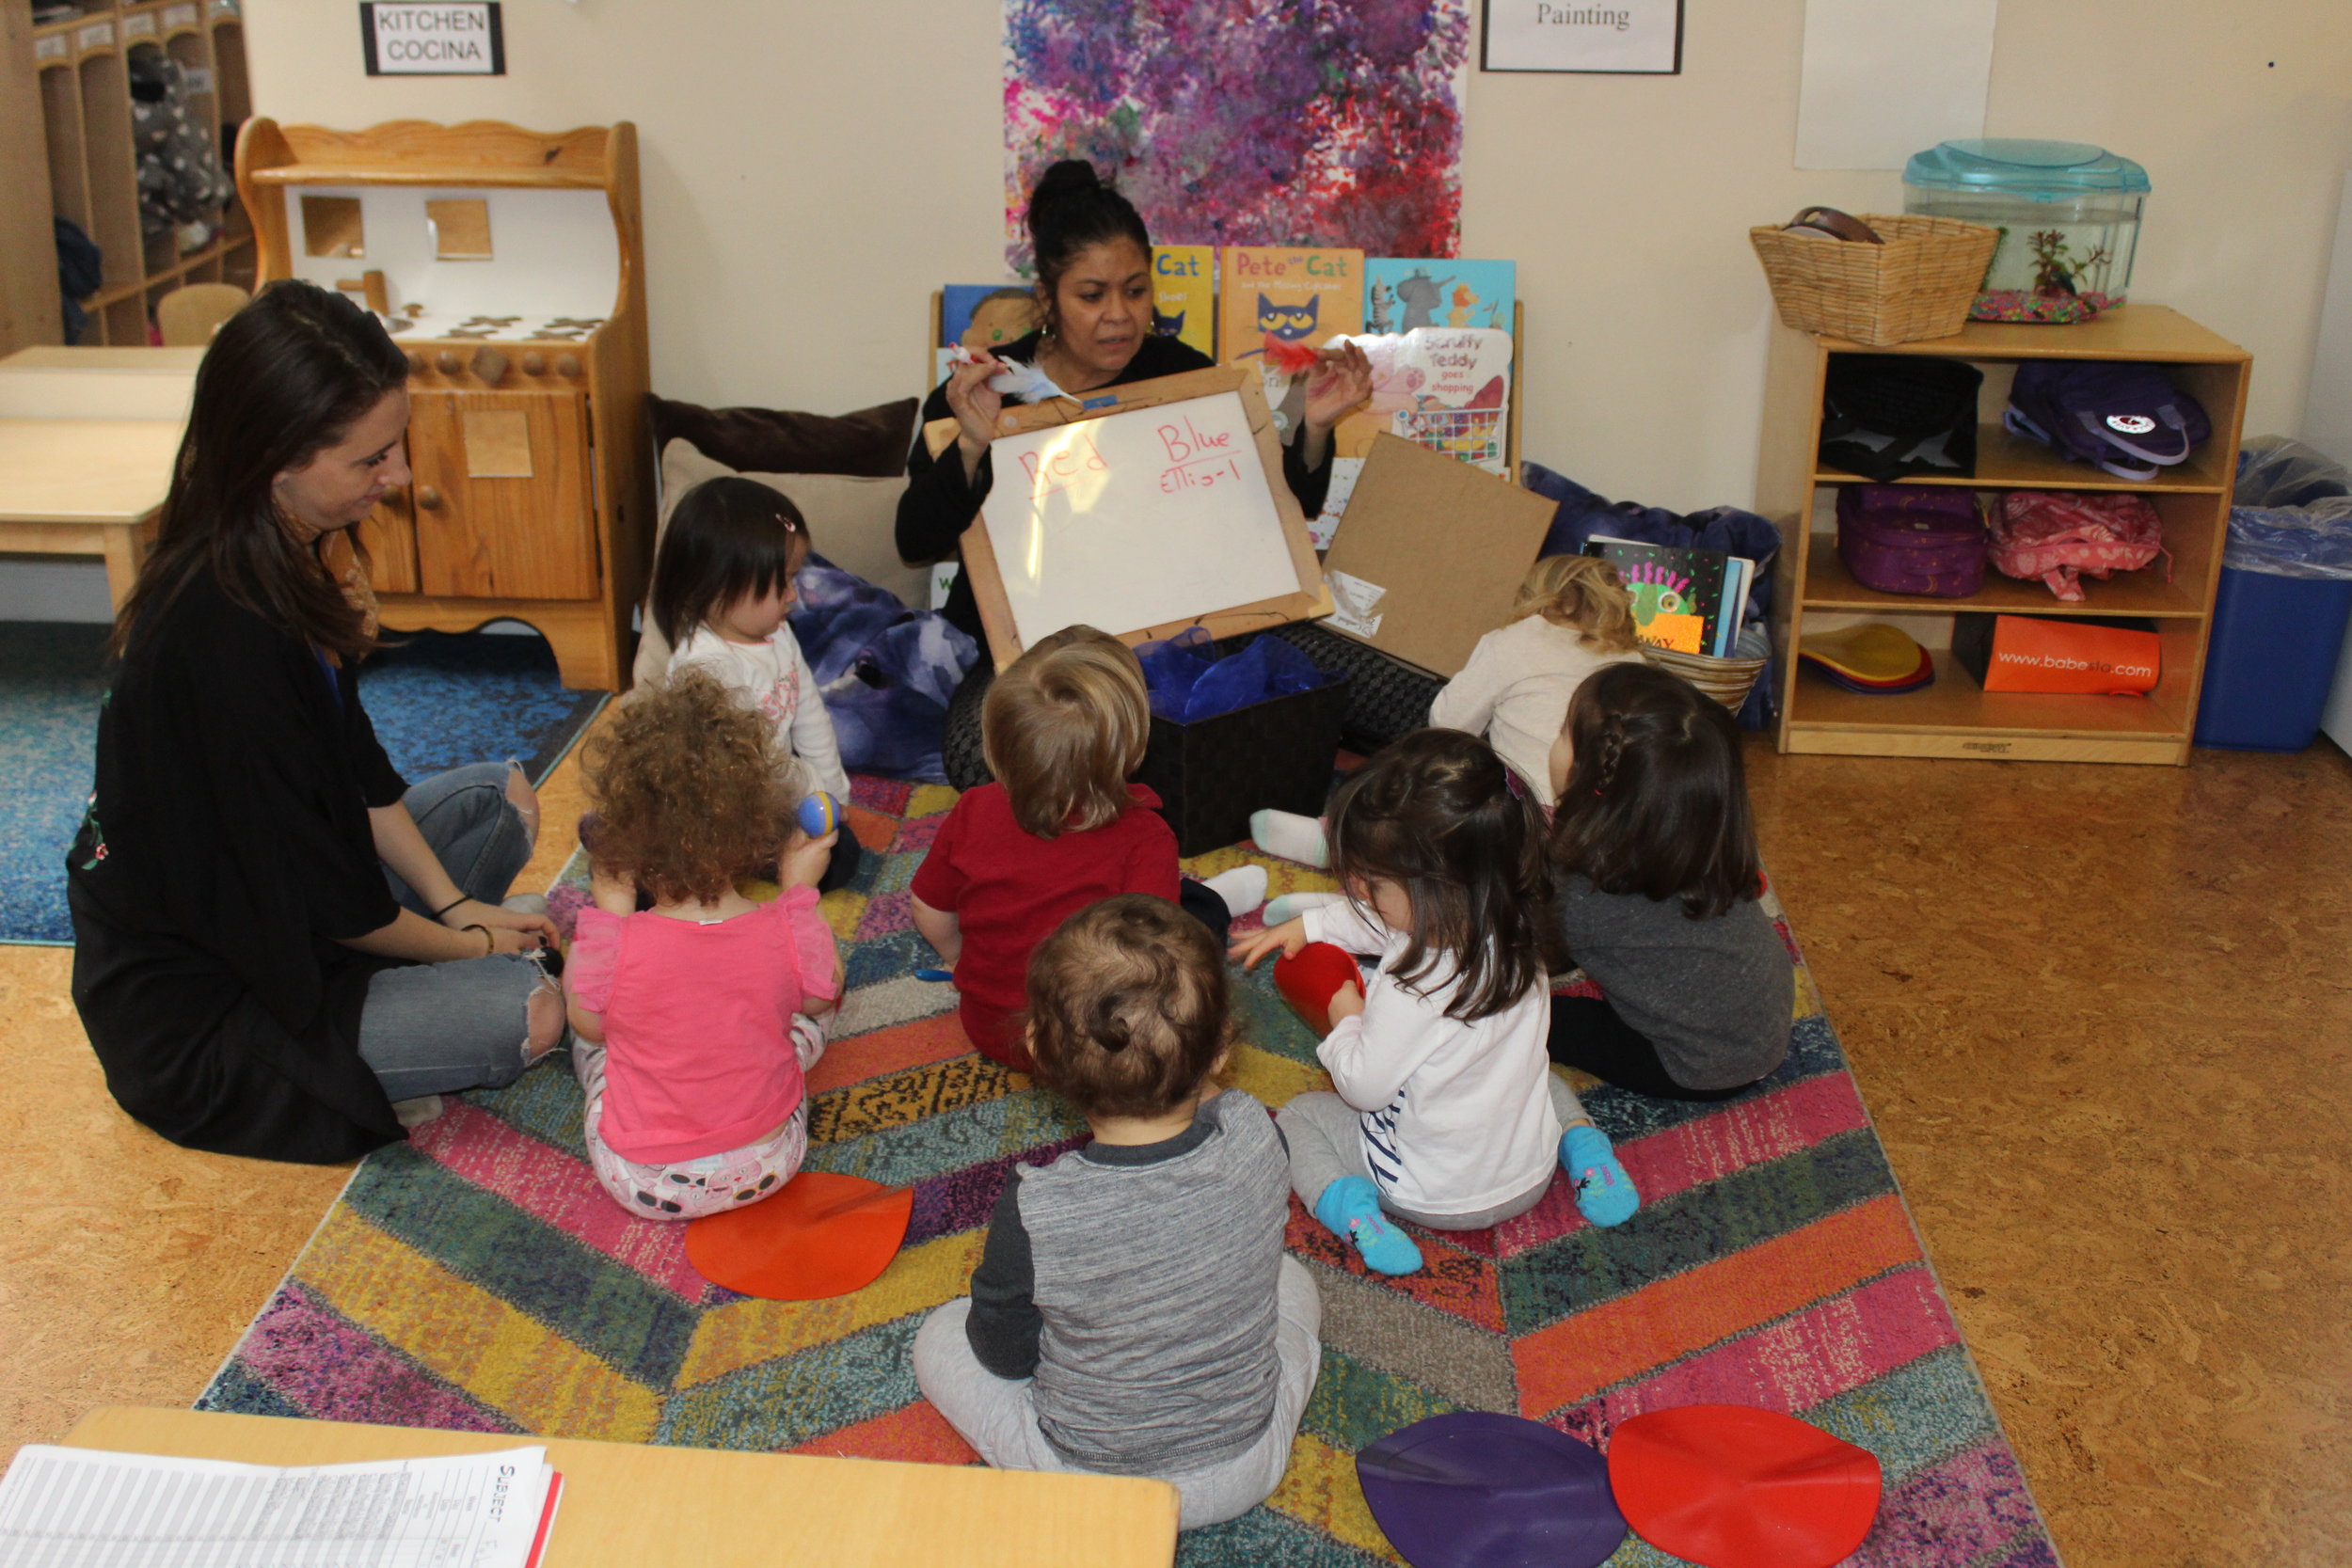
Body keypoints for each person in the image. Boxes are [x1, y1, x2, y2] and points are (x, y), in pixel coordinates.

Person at [68, 279, 563, 1164]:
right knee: (528, 1012)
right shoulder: (222, 642)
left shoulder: (280, 553)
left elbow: (356, 767)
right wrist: (468, 945)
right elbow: (331, 902)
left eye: (396, 447)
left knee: (501, 798)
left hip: (290, 911)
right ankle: (436, 984)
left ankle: (436, 962)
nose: (399, 476)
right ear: (279, 460)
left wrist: (454, 908)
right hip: (217, 1005)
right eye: (371, 460)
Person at [896, 158, 1371, 786]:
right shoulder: (982, 390)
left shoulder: (1182, 375)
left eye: (1135, 290)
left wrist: (1313, 426)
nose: (1118, 313)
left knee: (1364, 685)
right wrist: (973, 448)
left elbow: (1289, 501)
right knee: (973, 756)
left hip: (1186, 635)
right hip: (1038, 658)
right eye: (1092, 295)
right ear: (1048, 299)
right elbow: (914, 541)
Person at [913, 894, 1317, 1530]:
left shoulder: (1037, 1208)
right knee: (1292, 1282)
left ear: (1040, 1052)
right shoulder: (1258, 1133)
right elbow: (1210, 1094)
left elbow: (1004, 1354)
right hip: (1247, 1461)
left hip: (1094, 1482)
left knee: (940, 1336)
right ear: (1221, 1050)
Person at [1232, 730, 1638, 1278]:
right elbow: (1394, 924)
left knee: (1302, 1119)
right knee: (1534, 1071)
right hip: (1529, 1173)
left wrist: (1344, 1011)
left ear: (1434, 892)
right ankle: (1587, 1153)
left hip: (1427, 1193)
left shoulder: (1409, 984)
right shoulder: (1513, 927)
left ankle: (1353, 1214)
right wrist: (1315, 923)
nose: (1356, 891)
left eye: (1371, 885)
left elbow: (1362, 1087)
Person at [909, 626, 1265, 1070]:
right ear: (1132, 746)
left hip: (989, 1030)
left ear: (998, 744)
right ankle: (1216, 899)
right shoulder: (1146, 838)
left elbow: (927, 907)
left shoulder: (973, 808)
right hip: (1090, 1052)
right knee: (1193, 918)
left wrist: (957, 960)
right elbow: (1155, 962)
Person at [562, 671, 841, 1218]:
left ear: (624, 842)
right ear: (757, 827)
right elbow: (821, 994)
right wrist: (800, 890)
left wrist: (610, 915)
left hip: (646, 1183)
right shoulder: (781, 928)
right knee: (812, 1004)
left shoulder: (617, 945)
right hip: (769, 1163)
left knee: (596, 1047)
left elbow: (588, 1024)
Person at [1248, 554, 1646, 879]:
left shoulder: (1519, 638)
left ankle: (1343, 840)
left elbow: (1449, 724)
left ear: (1537, 597)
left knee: (1428, 769)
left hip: (1522, 824)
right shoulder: (1637, 664)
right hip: (1609, 832)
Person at [1546, 662, 1793, 1101]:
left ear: (1592, 775)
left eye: (1564, 731)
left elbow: (1533, 959)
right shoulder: (1705, 835)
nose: (1554, 739)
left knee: (1534, 1019)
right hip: (1758, 1031)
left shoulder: (1584, 895)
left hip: (1696, 1066)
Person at [651, 474, 858, 891]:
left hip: (769, 799)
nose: (793, 595)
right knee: (663, 872)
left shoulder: (779, 633)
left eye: (794, 578)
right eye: (781, 582)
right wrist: (808, 790)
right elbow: (741, 770)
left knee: (842, 856)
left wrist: (836, 792)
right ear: (715, 586)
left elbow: (808, 716)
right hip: (719, 808)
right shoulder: (704, 667)